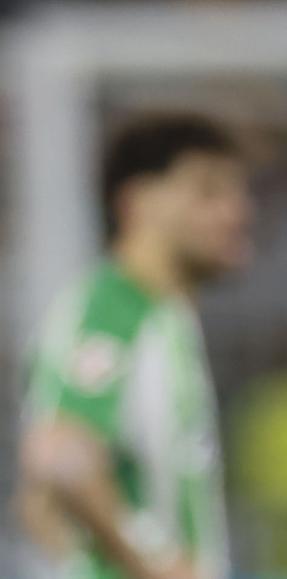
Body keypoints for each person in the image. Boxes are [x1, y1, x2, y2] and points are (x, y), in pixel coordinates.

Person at [17, 113, 252, 579]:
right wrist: (158, 561)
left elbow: (38, 503)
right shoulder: (114, 309)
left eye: (237, 193)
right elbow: (58, 453)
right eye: (207, 192)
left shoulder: (169, 318)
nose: (236, 212)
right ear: (136, 203)